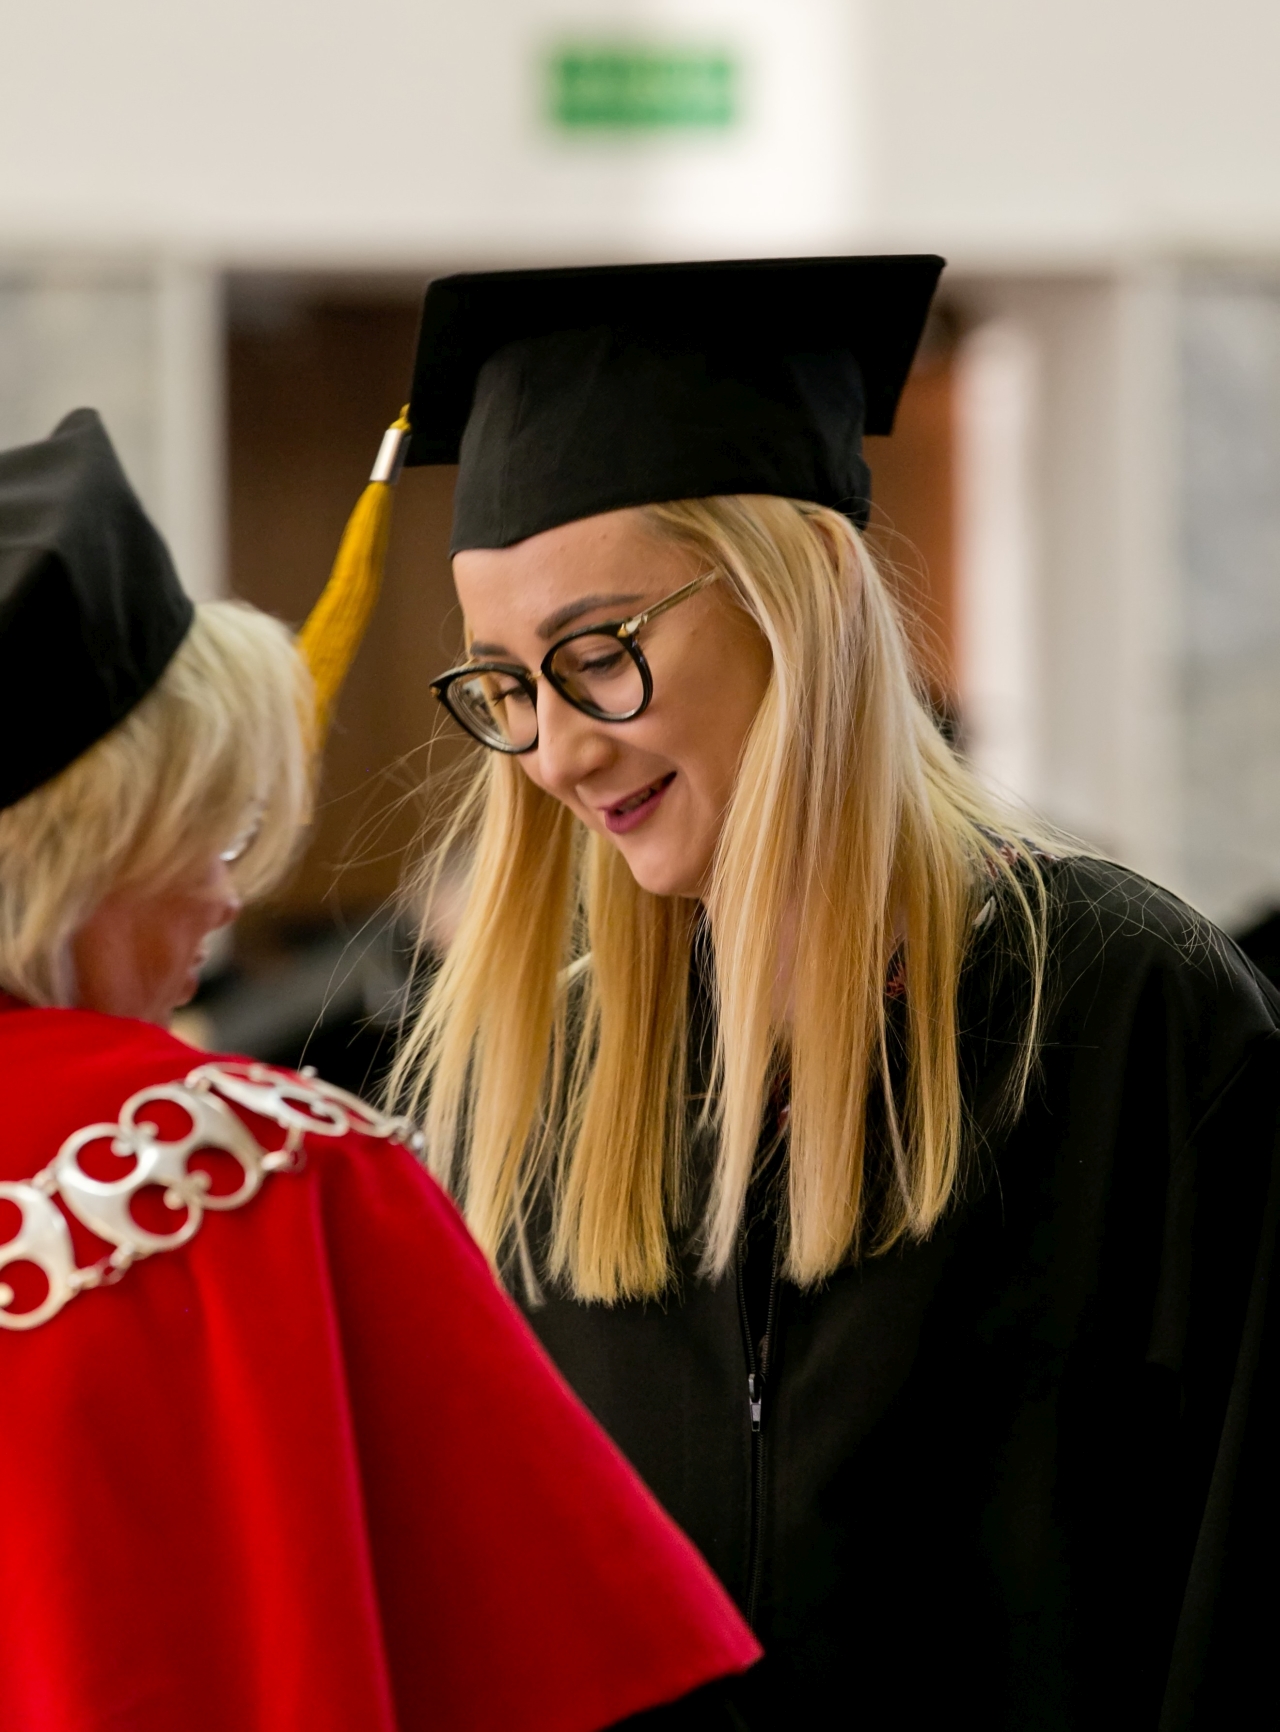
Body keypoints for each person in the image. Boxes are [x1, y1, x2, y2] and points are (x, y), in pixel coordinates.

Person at [389, 257, 1280, 1730]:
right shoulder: (538, 1083)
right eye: (508, 686)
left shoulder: (1132, 1025)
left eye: (599, 654)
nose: (556, 750)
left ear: (794, 597)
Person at [0, 408, 760, 1732]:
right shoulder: (240, 1167)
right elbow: (590, 1680)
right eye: (210, 833)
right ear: (88, 848)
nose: (228, 900)